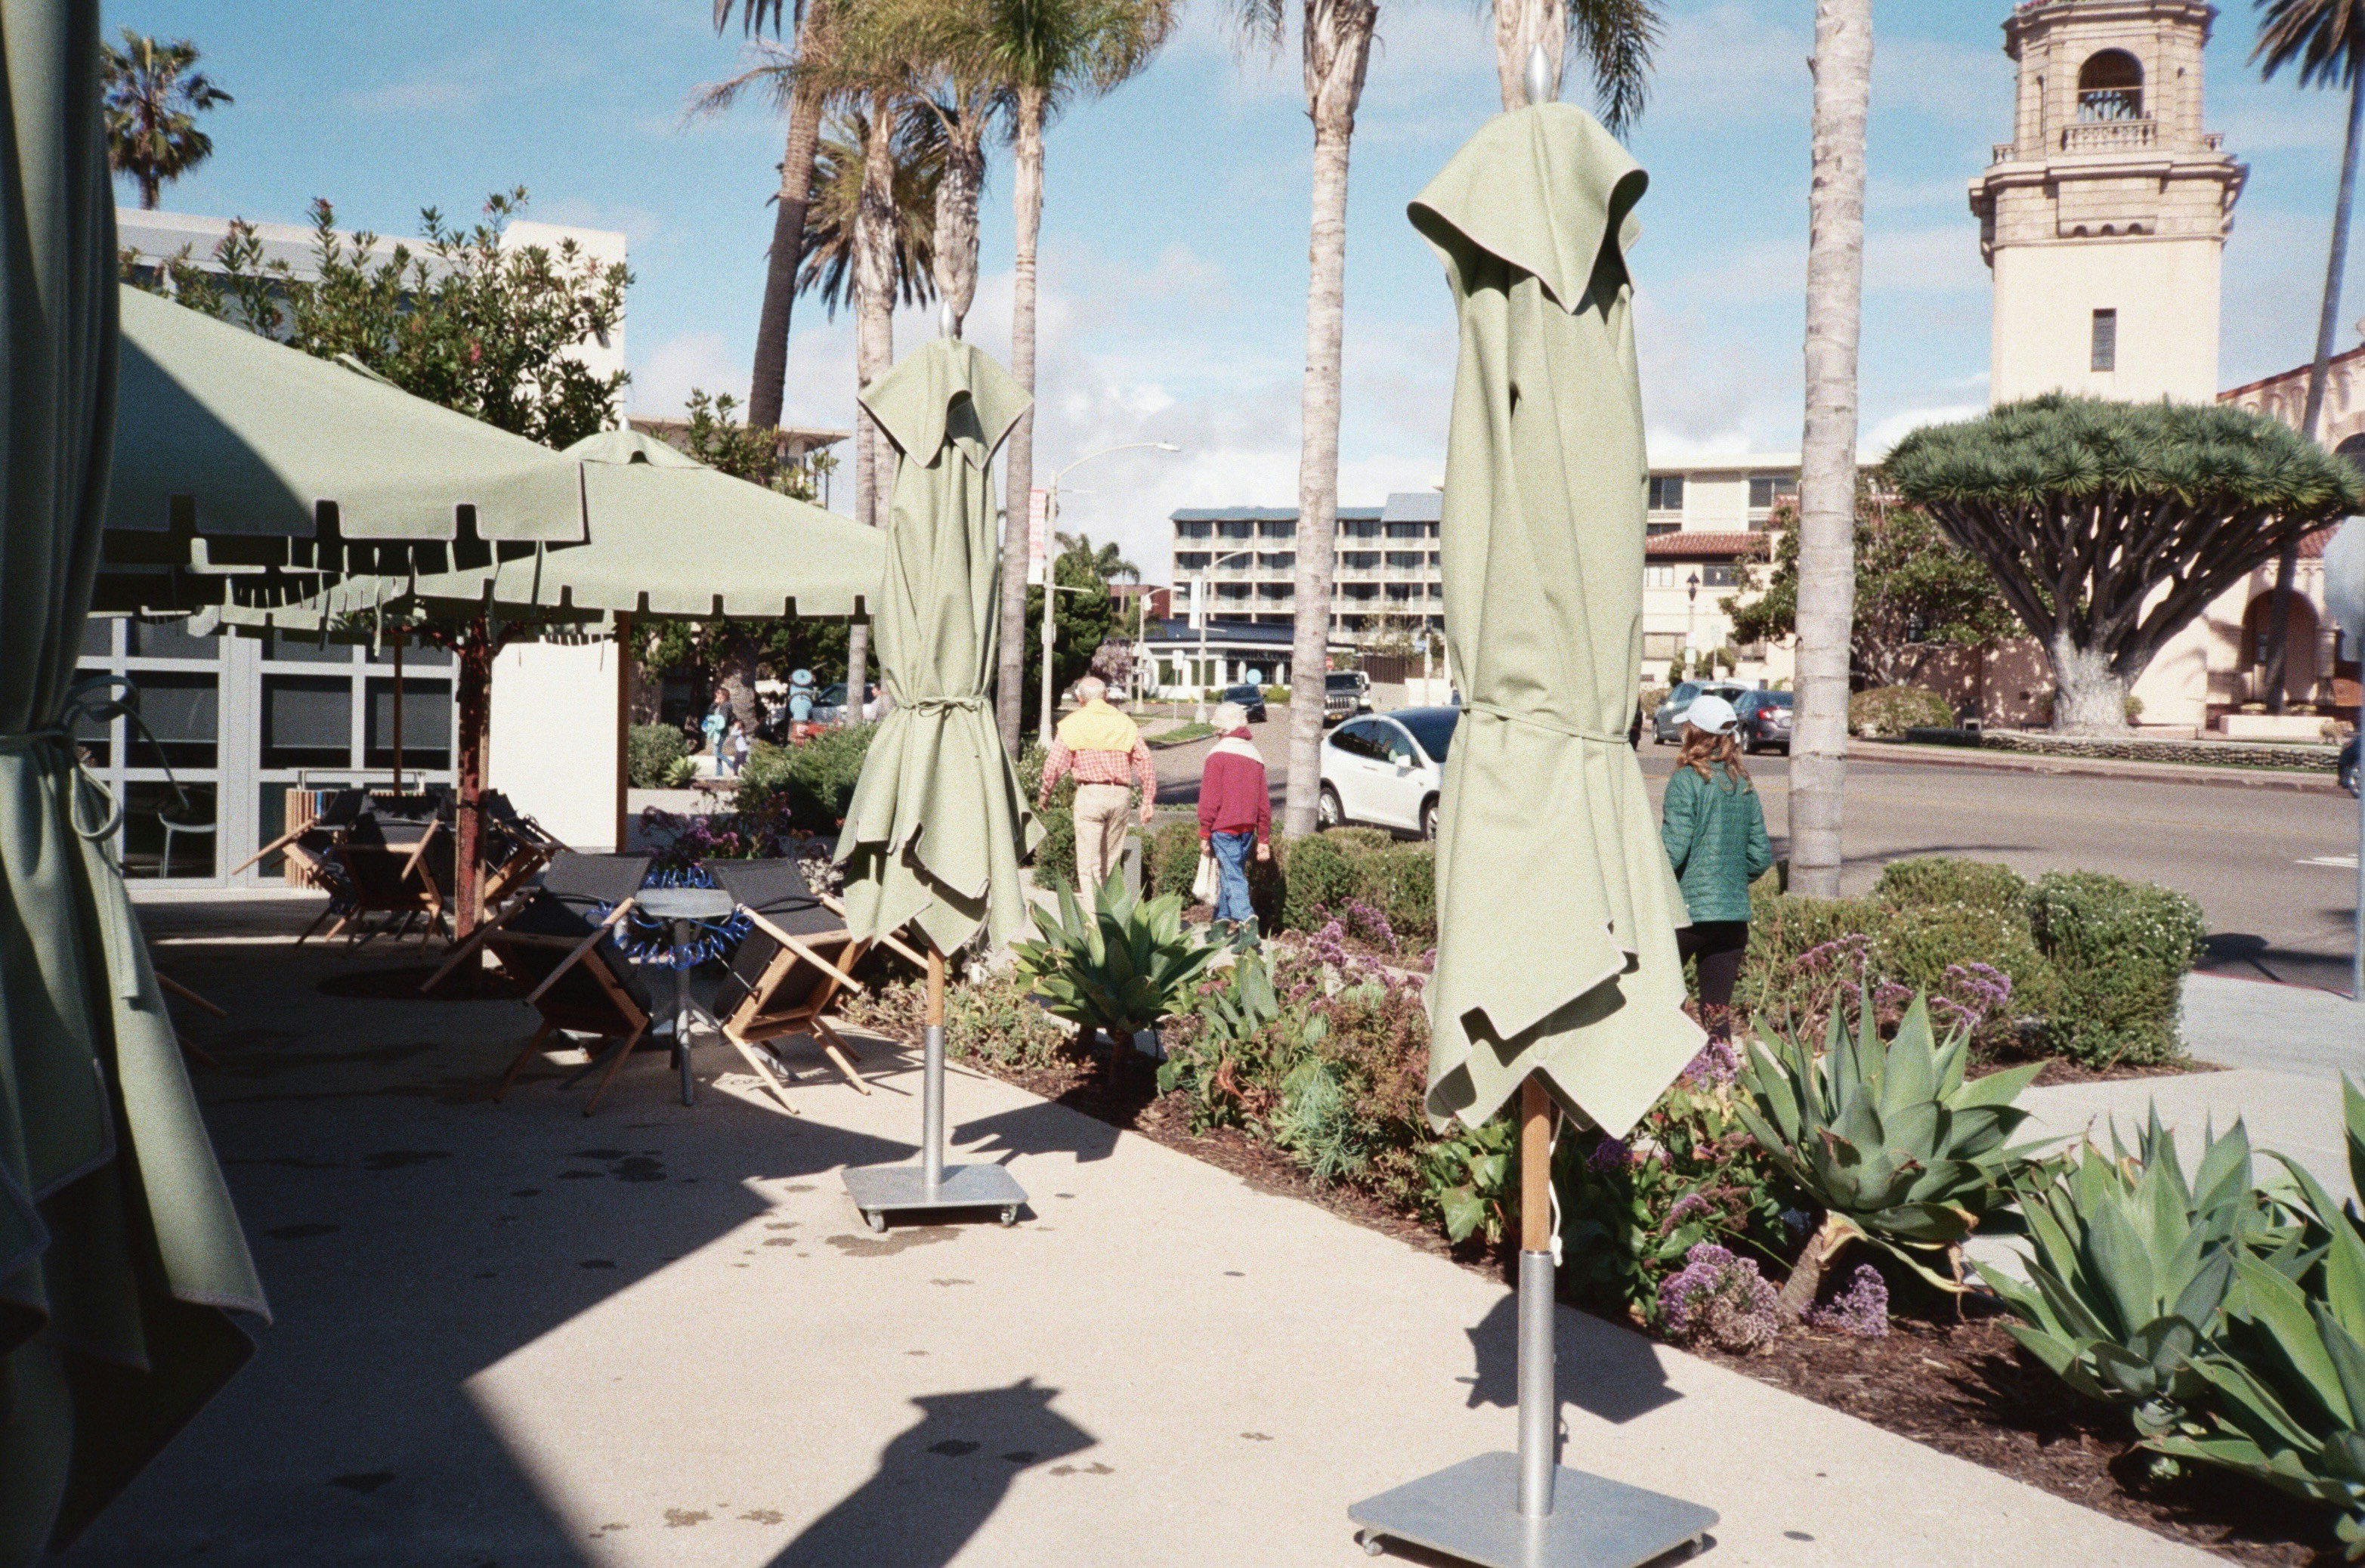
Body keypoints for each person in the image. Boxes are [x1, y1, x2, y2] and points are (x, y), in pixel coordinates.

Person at [1659, 693, 1774, 1042]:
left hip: (1688, 916)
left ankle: (1666, 1085)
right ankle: (1721, 1087)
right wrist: (1731, 883)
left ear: (1693, 732)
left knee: (1658, 1005)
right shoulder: (1744, 783)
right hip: (1733, 918)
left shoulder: (1686, 780)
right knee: (1716, 1015)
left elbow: (1672, 852)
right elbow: (1760, 856)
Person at [1037, 675, 1156, 902]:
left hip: (1090, 795)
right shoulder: (1125, 722)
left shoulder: (1072, 724)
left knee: (1089, 867)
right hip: (1120, 796)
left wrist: (1045, 794)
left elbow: (1054, 765)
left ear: (1079, 699)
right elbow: (1145, 761)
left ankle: (1094, 923)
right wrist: (1148, 800)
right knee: (1110, 864)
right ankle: (1110, 918)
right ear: (1107, 696)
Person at [1196, 701, 1270, 931]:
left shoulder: (1217, 756)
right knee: (1230, 873)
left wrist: (1205, 832)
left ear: (1221, 730)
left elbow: (1210, 799)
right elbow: (1264, 803)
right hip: (1247, 829)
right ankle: (1221, 922)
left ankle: (1247, 921)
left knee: (1233, 876)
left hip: (1223, 828)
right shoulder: (1254, 755)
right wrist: (1264, 838)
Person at [700, 694, 728, 775]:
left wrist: (712, 719)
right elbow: (710, 711)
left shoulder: (725, 707)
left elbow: (722, 720)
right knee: (717, 752)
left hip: (721, 732)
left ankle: (731, 764)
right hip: (717, 732)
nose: (717, 699)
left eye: (719, 698)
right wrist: (715, 703)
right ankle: (719, 773)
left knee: (716, 752)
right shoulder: (717, 707)